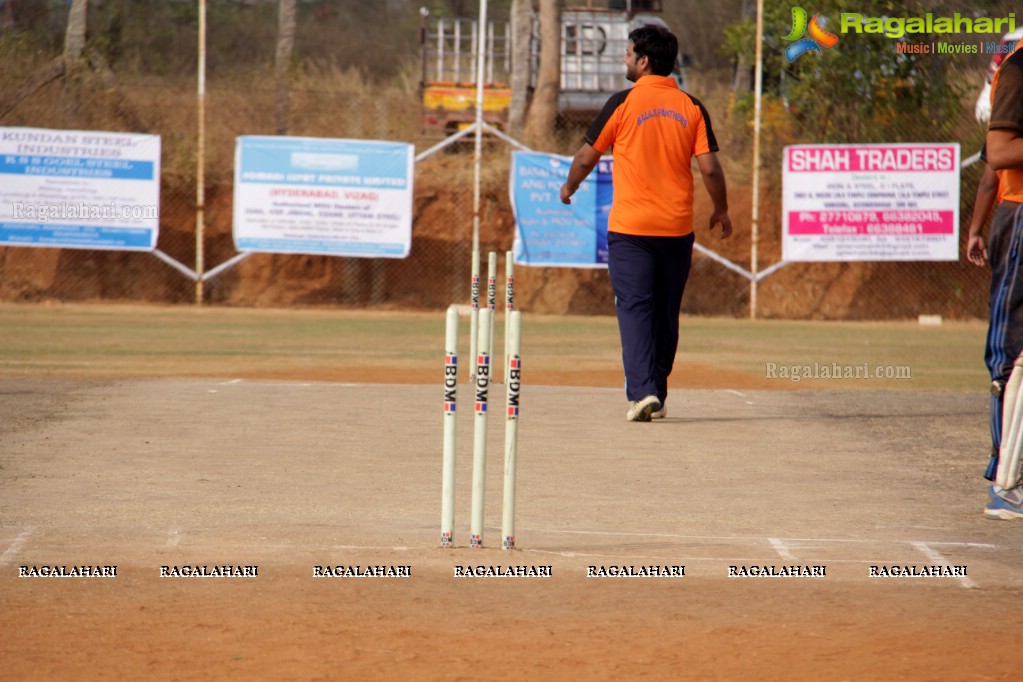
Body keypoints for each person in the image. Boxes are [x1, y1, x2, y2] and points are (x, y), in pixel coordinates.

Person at [560, 23, 732, 422]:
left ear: (643, 61)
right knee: (665, 311)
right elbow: (710, 169)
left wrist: (569, 186)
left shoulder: (623, 103)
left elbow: (587, 158)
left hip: (631, 230)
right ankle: (656, 389)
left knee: (635, 307)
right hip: (675, 230)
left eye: (628, 52)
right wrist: (721, 209)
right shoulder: (691, 106)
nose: (624, 58)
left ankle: (642, 394)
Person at [980, 37, 1023, 519]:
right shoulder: (1018, 67)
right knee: (1011, 353)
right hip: (1020, 217)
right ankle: (1006, 477)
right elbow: (998, 154)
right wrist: (977, 227)